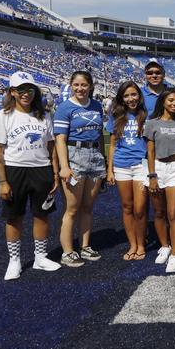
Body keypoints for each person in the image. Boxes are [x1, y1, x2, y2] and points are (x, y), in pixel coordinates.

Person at [0, 72, 61, 280]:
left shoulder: (44, 115)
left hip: (41, 170)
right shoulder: (3, 116)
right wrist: (3, 181)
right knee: (14, 217)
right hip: (15, 170)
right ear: (12, 92)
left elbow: (51, 146)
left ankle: (40, 257)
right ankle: (14, 261)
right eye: (20, 90)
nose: (25, 94)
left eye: (29, 89)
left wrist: (54, 172)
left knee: (42, 214)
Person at [54, 71, 106, 267]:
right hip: (74, 156)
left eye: (84, 85)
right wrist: (64, 166)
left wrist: (103, 158)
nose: (80, 88)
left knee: (87, 207)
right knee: (72, 209)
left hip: (95, 157)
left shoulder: (97, 106)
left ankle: (85, 246)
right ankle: (68, 251)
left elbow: (99, 134)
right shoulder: (64, 108)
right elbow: (60, 139)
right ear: (71, 85)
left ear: (90, 86)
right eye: (76, 85)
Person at [144, 88, 175, 273]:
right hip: (157, 168)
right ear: (163, 101)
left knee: (173, 213)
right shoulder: (152, 123)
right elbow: (150, 152)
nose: (174, 104)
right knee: (159, 212)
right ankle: (165, 246)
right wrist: (152, 176)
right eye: (171, 100)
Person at [106, 80, 148, 261]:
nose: (131, 99)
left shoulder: (146, 115)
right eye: (127, 95)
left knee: (140, 208)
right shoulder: (116, 116)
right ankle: (133, 244)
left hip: (141, 165)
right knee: (127, 207)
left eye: (134, 94)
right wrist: (110, 170)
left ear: (139, 95)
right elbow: (113, 144)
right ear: (121, 98)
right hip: (121, 165)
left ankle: (141, 243)